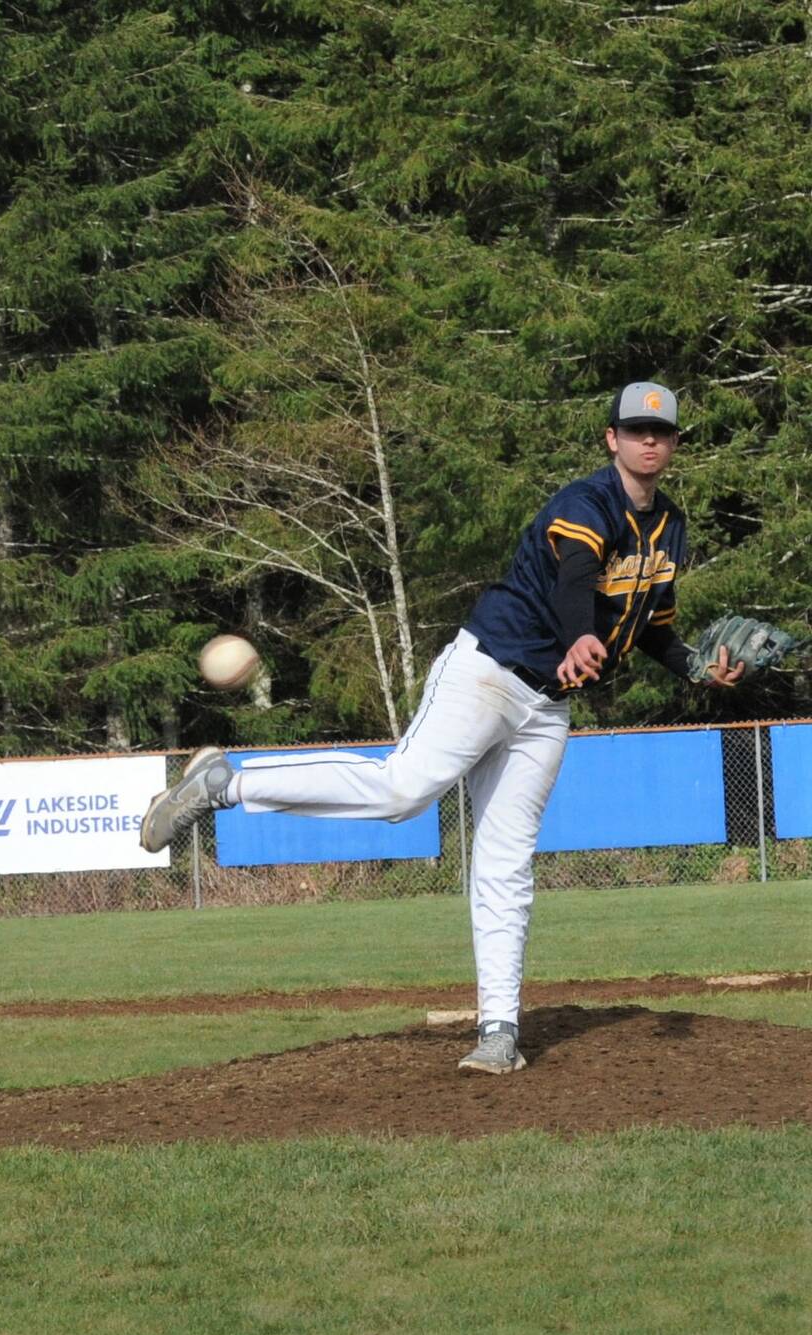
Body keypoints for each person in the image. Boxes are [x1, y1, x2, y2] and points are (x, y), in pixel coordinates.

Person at [140, 382, 744, 1075]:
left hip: (548, 706)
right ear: (612, 439)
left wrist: (696, 667)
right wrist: (581, 634)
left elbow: (653, 624)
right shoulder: (586, 502)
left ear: (674, 443)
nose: (649, 440)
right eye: (635, 429)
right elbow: (575, 577)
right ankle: (225, 784)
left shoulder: (671, 528)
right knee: (402, 791)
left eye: (661, 431)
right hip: (488, 674)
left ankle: (498, 1031)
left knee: (506, 860)